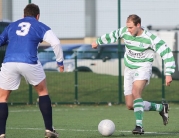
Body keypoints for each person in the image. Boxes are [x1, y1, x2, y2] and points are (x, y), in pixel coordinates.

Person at [92, 14, 176, 135]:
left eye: (131, 27)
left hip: (143, 67)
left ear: (138, 25)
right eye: (127, 27)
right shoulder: (125, 31)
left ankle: (139, 126)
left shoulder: (150, 38)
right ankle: (160, 108)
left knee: (136, 92)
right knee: (130, 105)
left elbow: (166, 52)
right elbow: (113, 35)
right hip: (129, 69)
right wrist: (97, 42)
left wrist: (168, 73)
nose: (128, 30)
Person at [0, 3, 64, 138]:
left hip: (9, 62)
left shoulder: (12, 26)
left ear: (23, 15)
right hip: (29, 61)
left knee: (2, 98)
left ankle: (1, 133)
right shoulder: (39, 25)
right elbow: (56, 43)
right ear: (38, 16)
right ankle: (49, 129)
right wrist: (60, 62)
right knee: (42, 92)